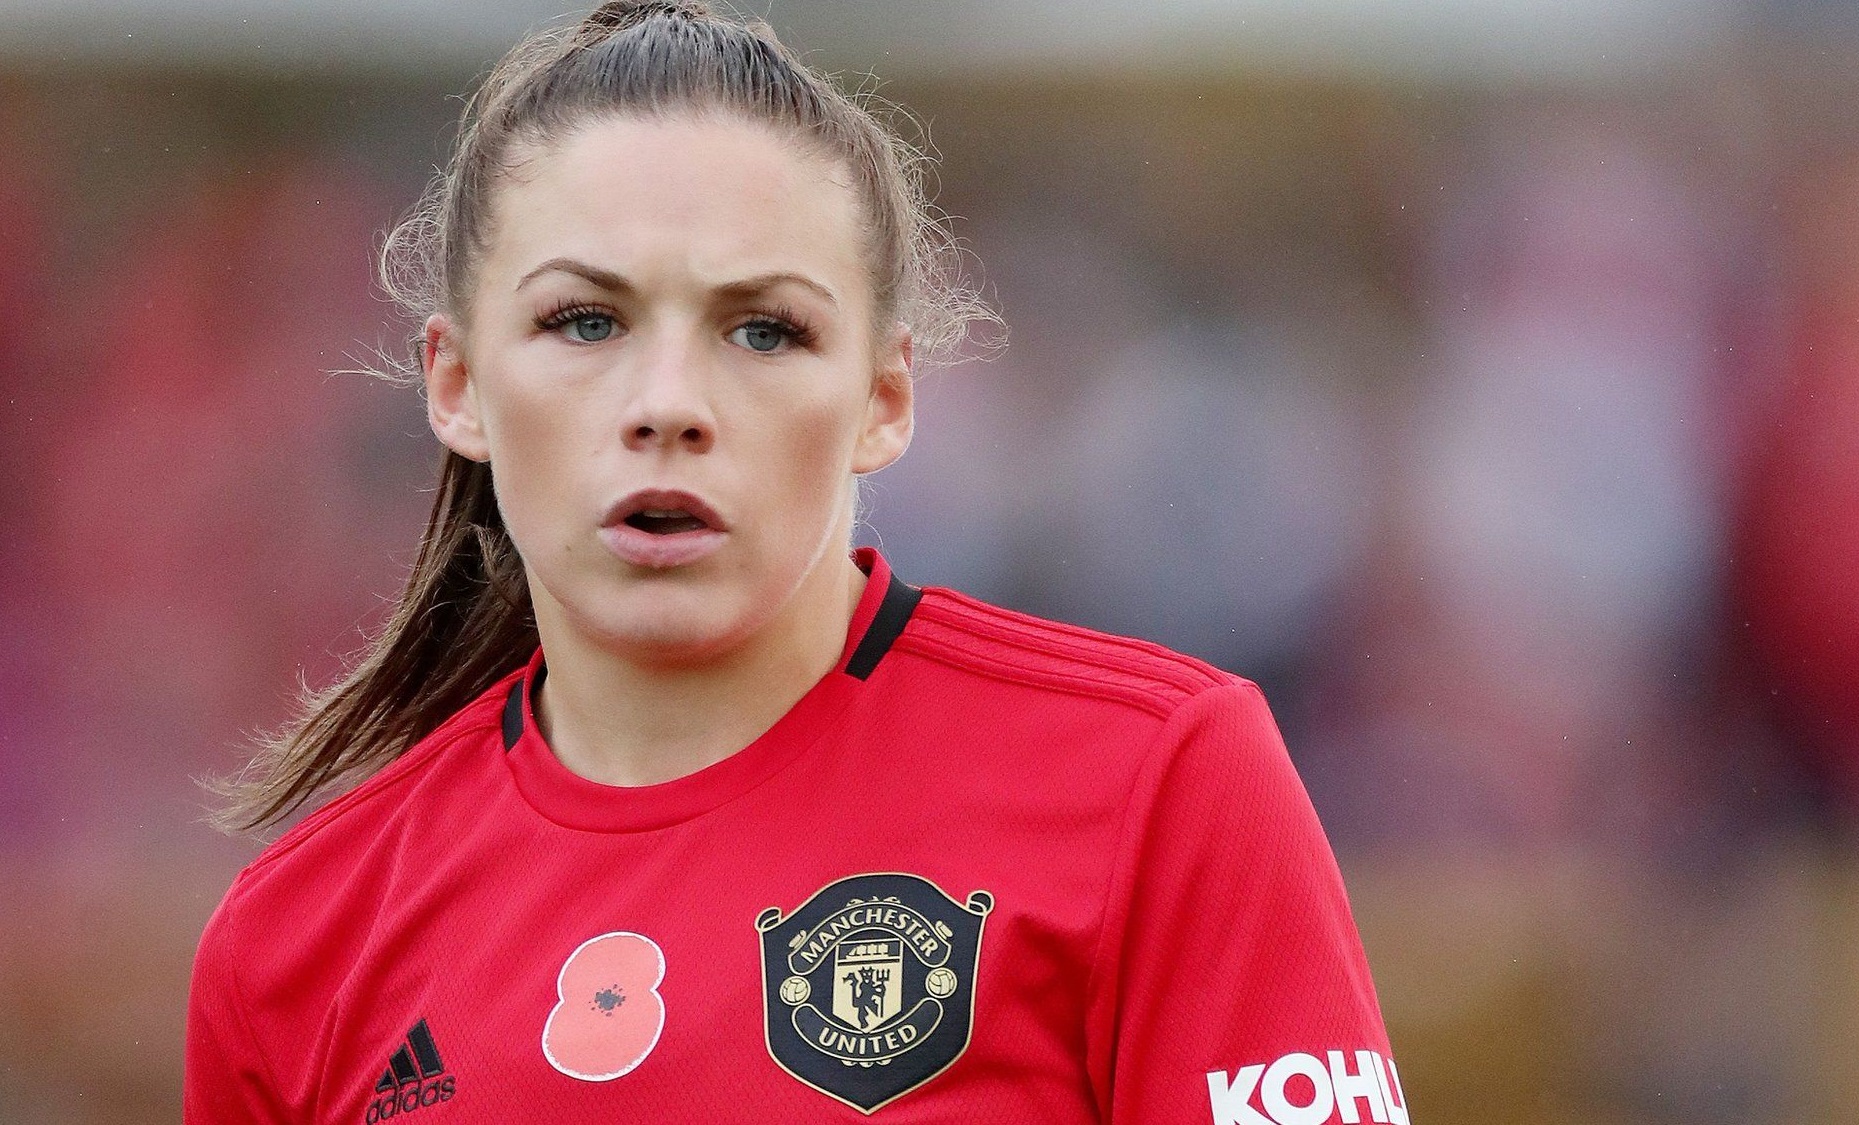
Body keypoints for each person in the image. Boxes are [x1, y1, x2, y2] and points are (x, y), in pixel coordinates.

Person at [183, 3, 1406, 1122]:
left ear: (883, 398)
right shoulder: (293, 942)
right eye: (584, 321)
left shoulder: (1159, 779)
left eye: (763, 330)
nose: (668, 404)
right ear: (456, 385)